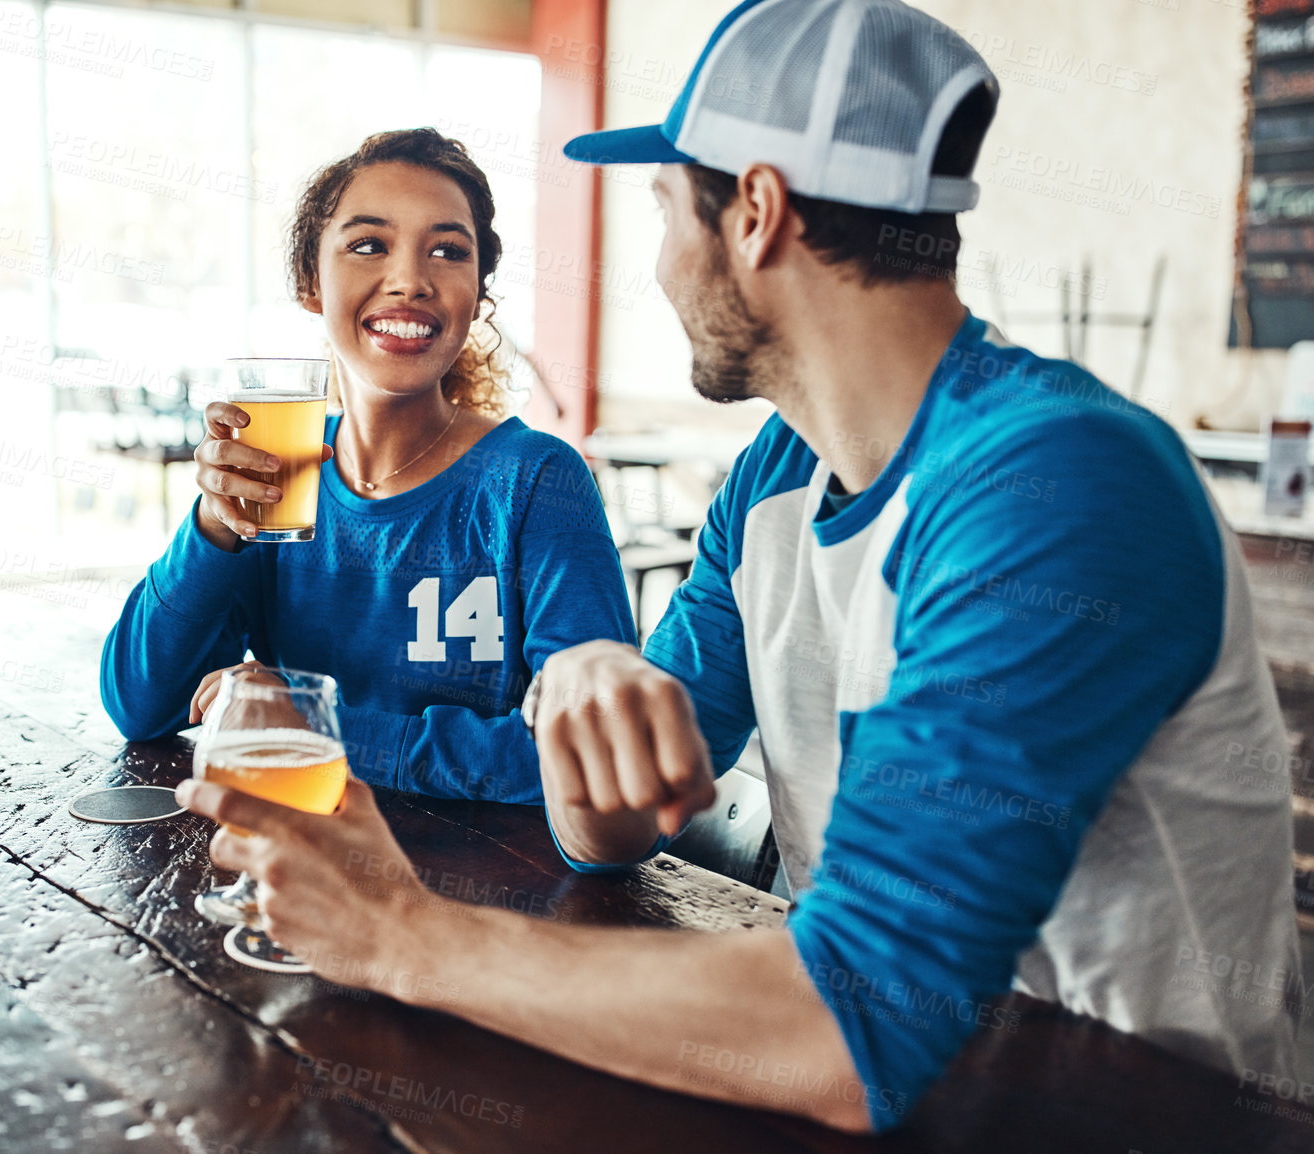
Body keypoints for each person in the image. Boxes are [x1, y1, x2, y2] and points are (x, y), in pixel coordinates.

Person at [176, 0, 1303, 1134]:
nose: (661, 263)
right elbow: (613, 829)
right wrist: (582, 704)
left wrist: (400, 933)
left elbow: (850, 1024)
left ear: (755, 212)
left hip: (1127, 1115)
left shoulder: (1059, 483)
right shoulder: (778, 469)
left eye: (667, 209)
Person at [101, 128, 635, 804]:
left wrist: (322, 731)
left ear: (478, 291)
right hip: (292, 866)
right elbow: (140, 706)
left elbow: (594, 755)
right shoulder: (281, 470)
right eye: (367, 245)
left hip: (484, 894)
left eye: (448, 251)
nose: (411, 279)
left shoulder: (535, 481)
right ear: (309, 282)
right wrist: (212, 532)